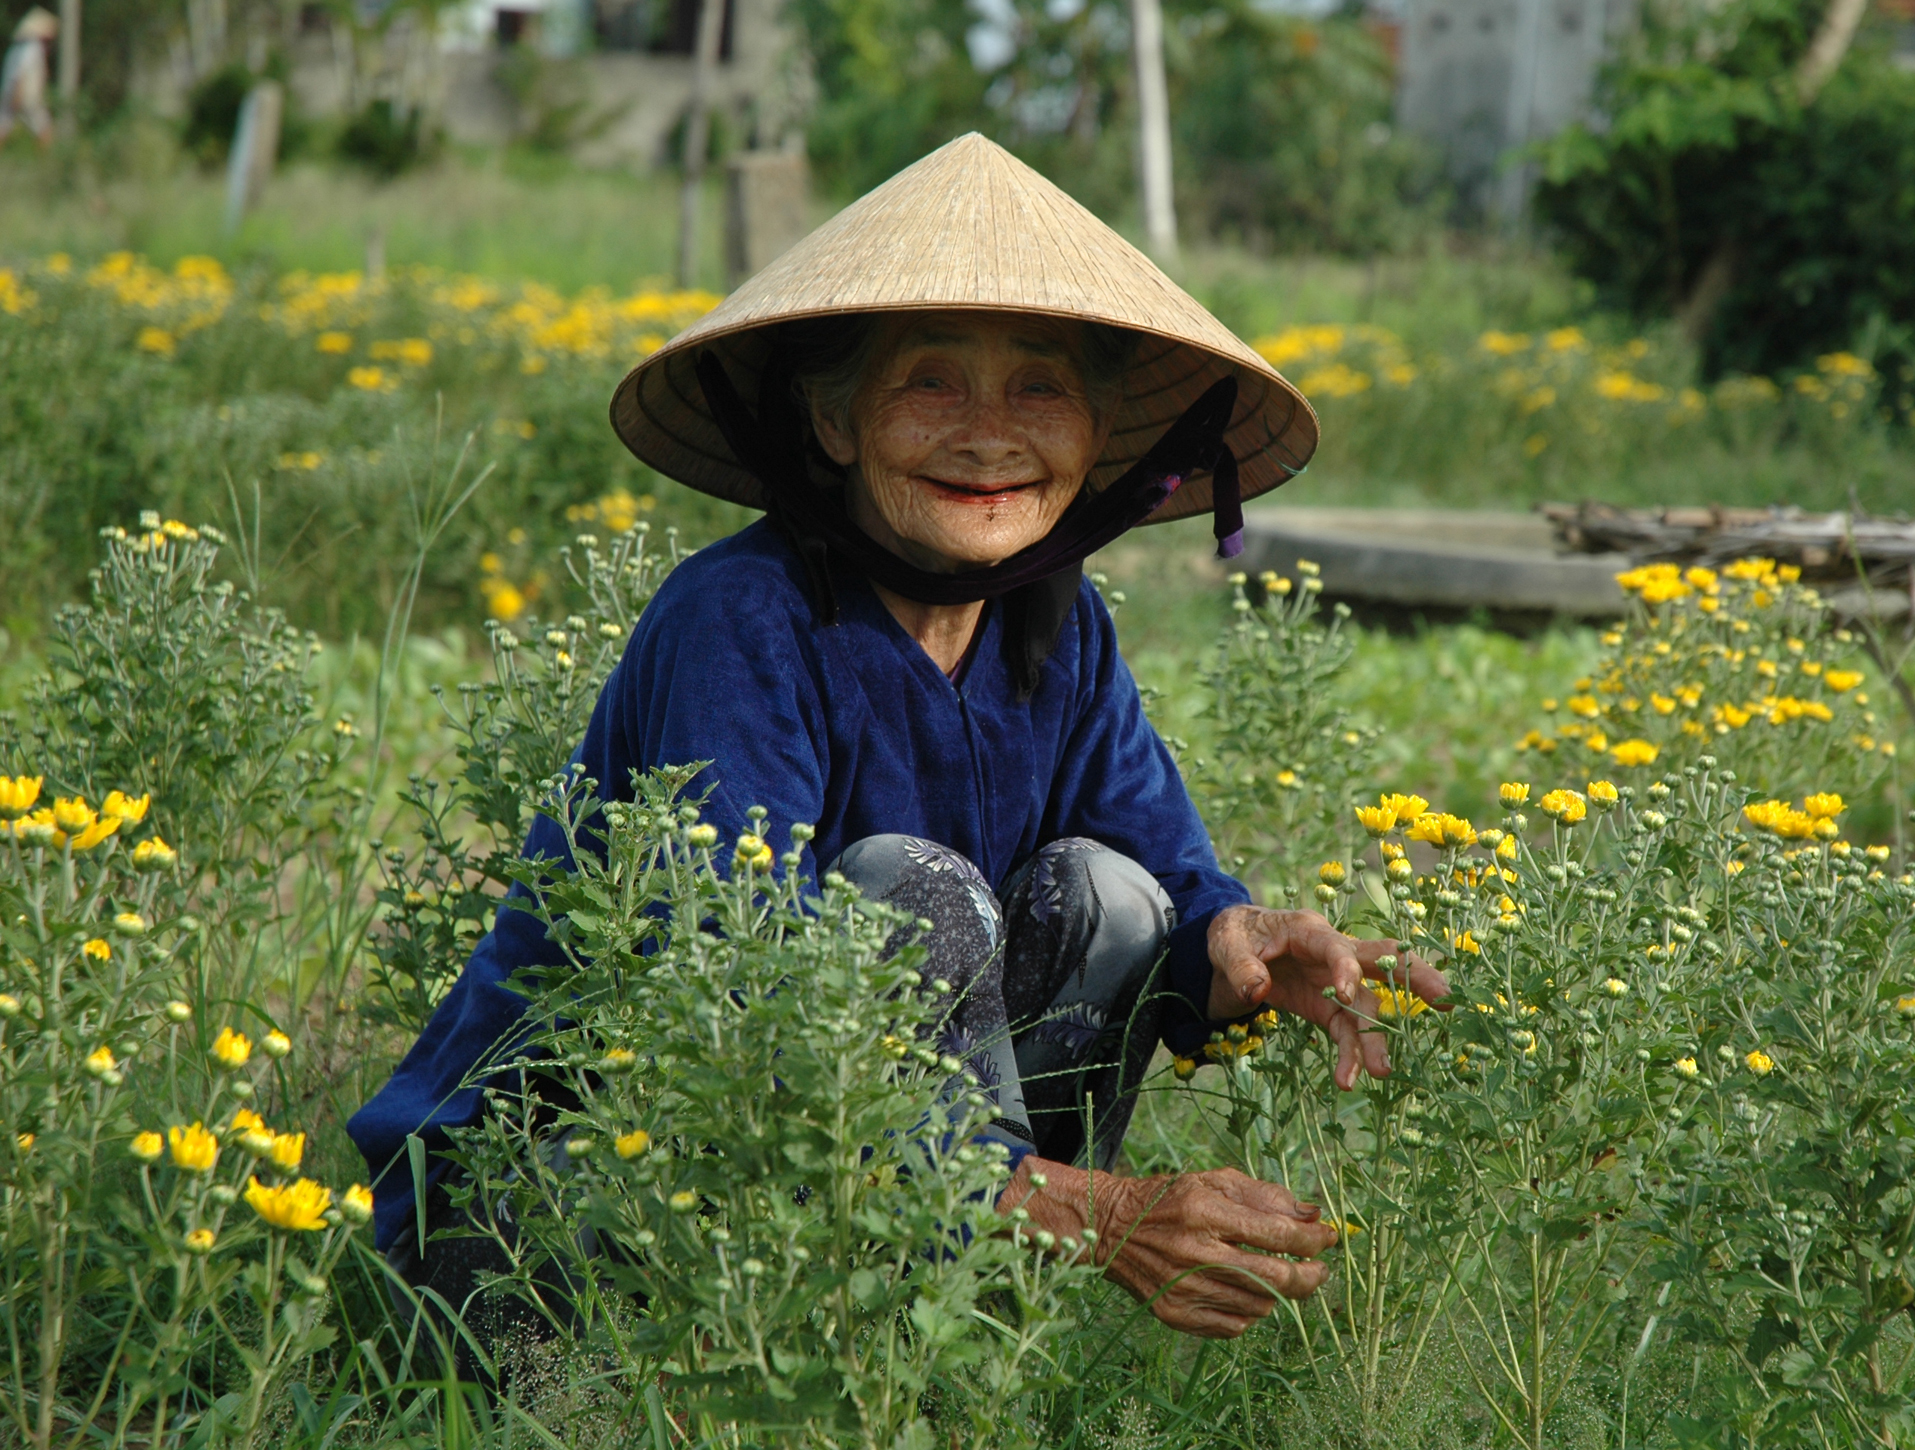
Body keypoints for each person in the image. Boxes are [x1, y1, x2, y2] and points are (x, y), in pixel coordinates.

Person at [348, 133, 1448, 1345]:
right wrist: (1086, 1206)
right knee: (904, 890)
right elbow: (738, 995)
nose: (990, 436)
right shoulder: (742, 618)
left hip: (825, 1215)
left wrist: (1229, 938)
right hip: (554, 1204)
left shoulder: (1060, 626)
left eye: (1040, 388)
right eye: (931, 383)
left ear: (1094, 437)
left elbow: (1166, 879)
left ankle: (938, 1348)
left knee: (1113, 897)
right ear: (832, 421)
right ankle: (932, 1290)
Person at [0, 8, 55, 149]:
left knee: (4, 126)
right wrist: (19, 94)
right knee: (45, 130)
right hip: (25, 96)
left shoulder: (15, 49)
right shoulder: (33, 48)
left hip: (9, 92)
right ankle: (47, 163)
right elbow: (21, 73)